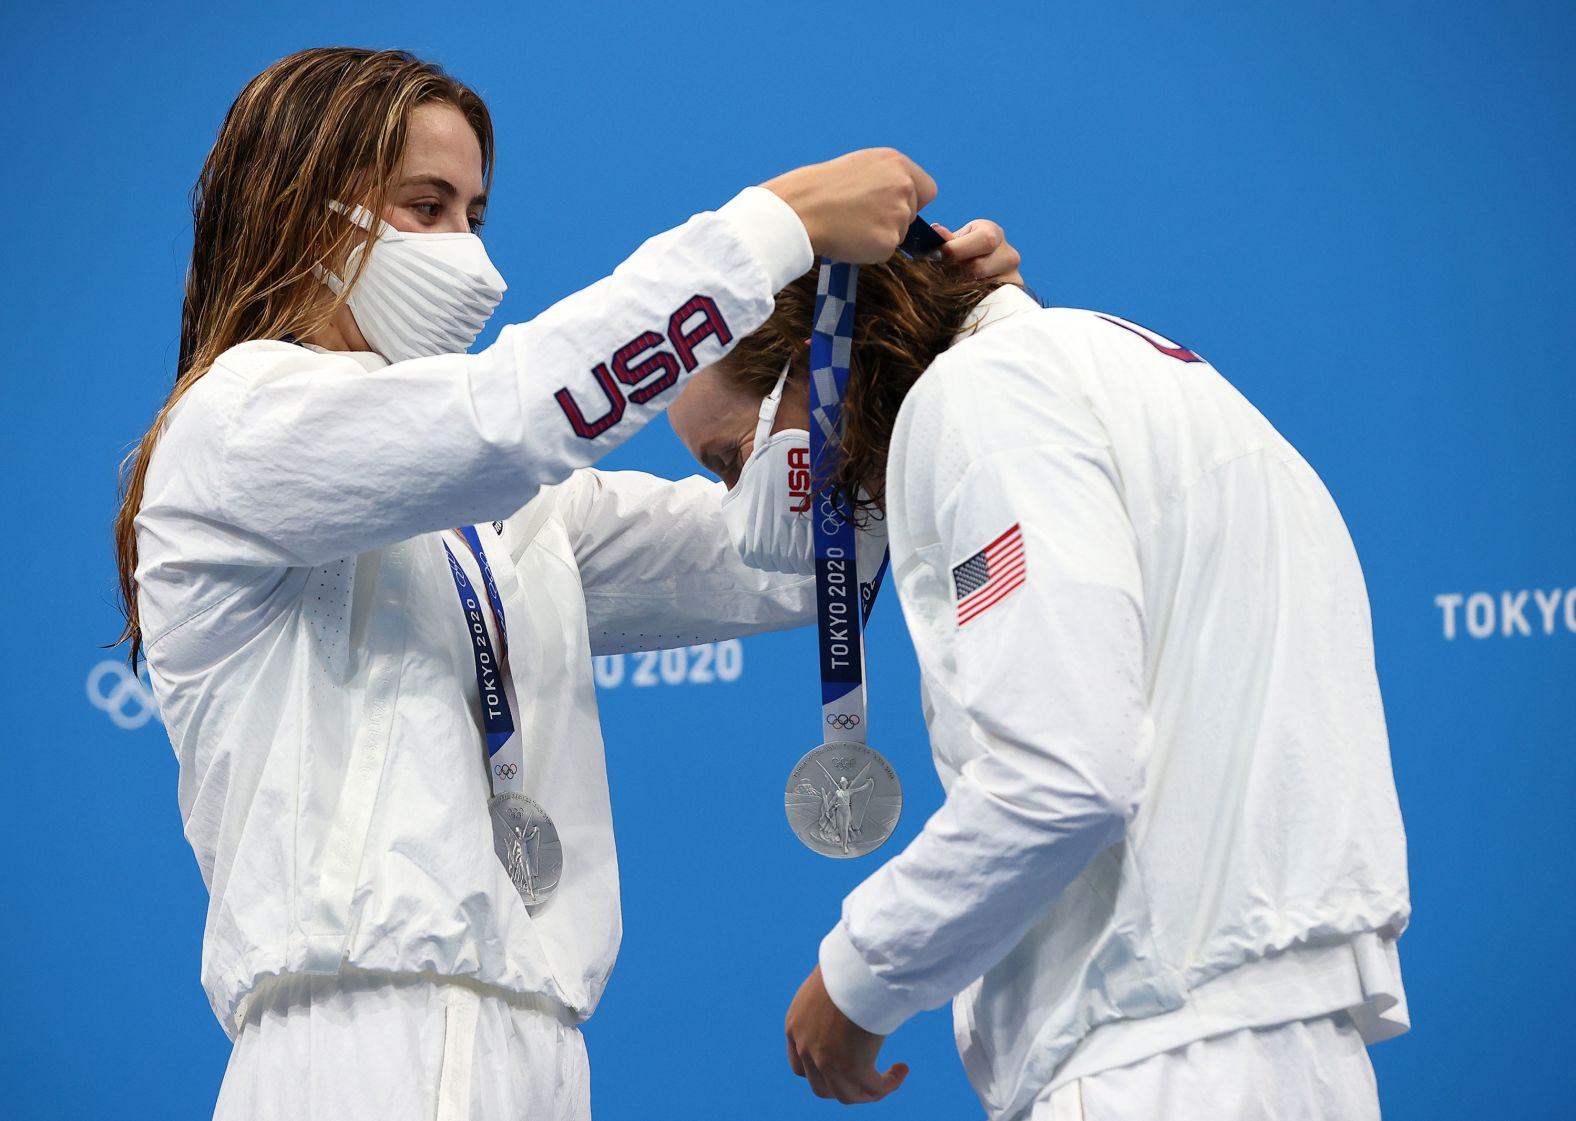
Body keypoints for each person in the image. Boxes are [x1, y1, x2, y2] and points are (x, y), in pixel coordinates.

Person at [115, 46, 1023, 1120]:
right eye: (425, 205)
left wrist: (930, 330)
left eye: (475, 213)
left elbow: (791, 558)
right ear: (300, 213)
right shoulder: (240, 426)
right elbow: (514, 418)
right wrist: (778, 224)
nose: (468, 256)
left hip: (542, 1047)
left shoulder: (512, 517)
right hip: (351, 1042)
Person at [667, 255, 1411, 1119]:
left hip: (1156, 1048)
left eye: (731, 459)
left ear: (814, 356)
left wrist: (860, 973)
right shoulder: (1124, 372)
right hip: (1284, 1040)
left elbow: (1065, 772)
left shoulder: (984, 401)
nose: (740, 496)